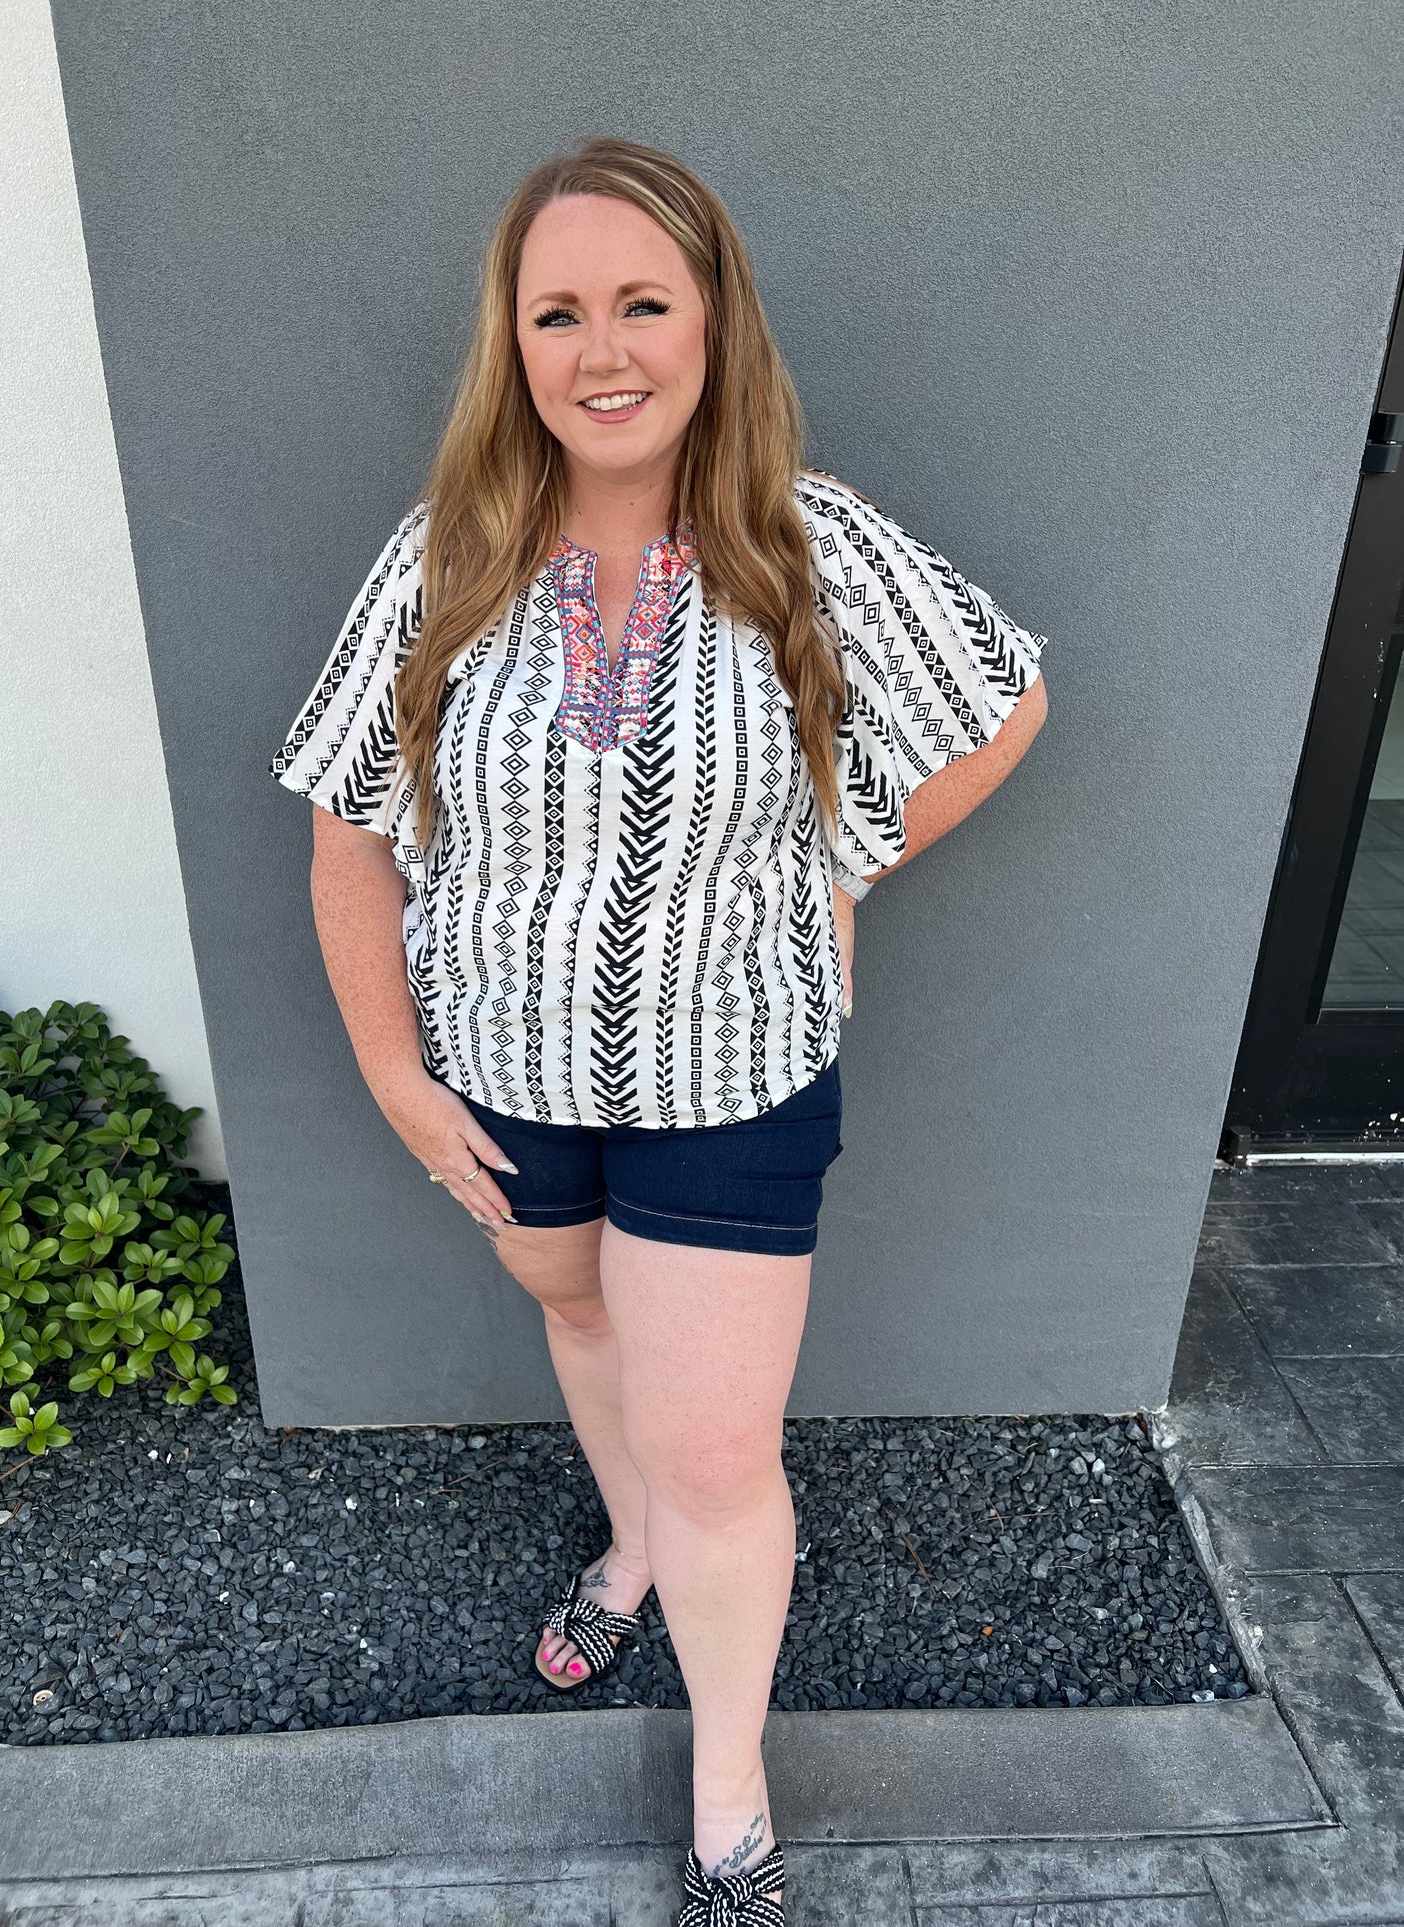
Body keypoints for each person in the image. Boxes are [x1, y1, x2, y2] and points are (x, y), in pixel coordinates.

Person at [271, 135, 1048, 1926]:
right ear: (514, 342)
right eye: (559, 311)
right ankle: (622, 1550)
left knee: (718, 1450)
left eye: (641, 301)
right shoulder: (446, 557)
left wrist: (841, 867)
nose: (600, 347)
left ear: (711, 325)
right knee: (580, 1311)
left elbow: (1002, 704)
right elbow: (342, 822)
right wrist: (396, 1074)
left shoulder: (806, 540)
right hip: (506, 1080)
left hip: (735, 1079)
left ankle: (725, 1799)